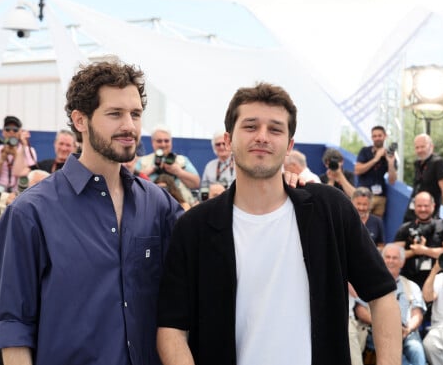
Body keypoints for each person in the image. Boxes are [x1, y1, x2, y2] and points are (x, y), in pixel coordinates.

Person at [156, 82, 401, 365]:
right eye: (250, 126)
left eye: (275, 129)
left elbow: (382, 296)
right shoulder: (195, 227)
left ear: (289, 145)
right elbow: (172, 328)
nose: (262, 137)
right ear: (228, 140)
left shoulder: (329, 210)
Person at [0, 61, 183, 365]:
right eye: (115, 114)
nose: (130, 126)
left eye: (135, 114)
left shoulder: (158, 205)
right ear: (80, 120)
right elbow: (15, 325)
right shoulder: (30, 213)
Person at [394, 191, 443, 287]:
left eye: (426, 206)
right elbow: (395, 255)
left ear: (433, 206)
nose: (423, 209)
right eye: (419, 206)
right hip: (409, 282)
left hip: (437, 282)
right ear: (414, 206)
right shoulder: (404, 228)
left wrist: (424, 250)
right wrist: (414, 251)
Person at [382, 244, 427, 365]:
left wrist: (407, 329)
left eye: (395, 258)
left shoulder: (411, 286)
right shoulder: (372, 285)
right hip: (380, 333)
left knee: (417, 350)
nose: (391, 261)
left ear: (402, 263)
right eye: (387, 257)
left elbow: (417, 314)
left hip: (407, 332)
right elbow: (361, 311)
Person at [136, 125, 200, 205]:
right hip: (152, 205)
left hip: (182, 206)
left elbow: (196, 183)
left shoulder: (182, 160)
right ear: (152, 142)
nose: (163, 145)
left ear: (171, 142)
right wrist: (153, 168)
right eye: (159, 141)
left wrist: (178, 172)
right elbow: (133, 183)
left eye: (166, 141)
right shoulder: (143, 161)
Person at [404, 134, 443, 224]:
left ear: (431, 146)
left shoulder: (438, 163)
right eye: (417, 147)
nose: (419, 150)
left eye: (422, 147)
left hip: (429, 215)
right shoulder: (417, 163)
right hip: (413, 212)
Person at [0, 115, 38, 192]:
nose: (11, 132)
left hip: (20, 192)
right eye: (8, 129)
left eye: (15, 130)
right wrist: (1, 159)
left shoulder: (28, 150)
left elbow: (28, 175)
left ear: (20, 132)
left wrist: (16, 155)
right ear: (3, 132)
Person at [354, 125, 397, 218]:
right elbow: (357, 170)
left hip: (380, 196)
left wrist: (390, 163)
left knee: (376, 225)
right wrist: (375, 159)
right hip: (363, 195)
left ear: (385, 136)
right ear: (372, 137)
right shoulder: (365, 151)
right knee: (360, 222)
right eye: (375, 136)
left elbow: (392, 180)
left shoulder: (389, 154)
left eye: (379, 135)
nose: (377, 138)